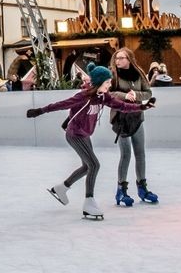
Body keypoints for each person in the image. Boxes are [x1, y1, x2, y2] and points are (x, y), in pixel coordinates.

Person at [27, 64, 151, 221]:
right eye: (107, 82)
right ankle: (89, 203)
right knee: (94, 165)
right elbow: (61, 105)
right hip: (75, 135)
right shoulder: (83, 96)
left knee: (87, 166)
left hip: (85, 135)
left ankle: (61, 189)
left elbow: (121, 106)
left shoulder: (103, 96)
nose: (109, 85)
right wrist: (39, 111)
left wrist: (142, 106)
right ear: (100, 82)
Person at [108, 47, 157, 206]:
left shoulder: (139, 73)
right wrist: (124, 96)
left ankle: (142, 187)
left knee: (140, 152)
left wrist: (136, 94)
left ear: (129, 59)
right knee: (126, 153)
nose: (118, 61)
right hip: (121, 118)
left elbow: (148, 93)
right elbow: (109, 93)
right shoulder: (113, 75)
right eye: (116, 58)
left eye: (121, 58)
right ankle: (121, 190)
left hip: (136, 117)